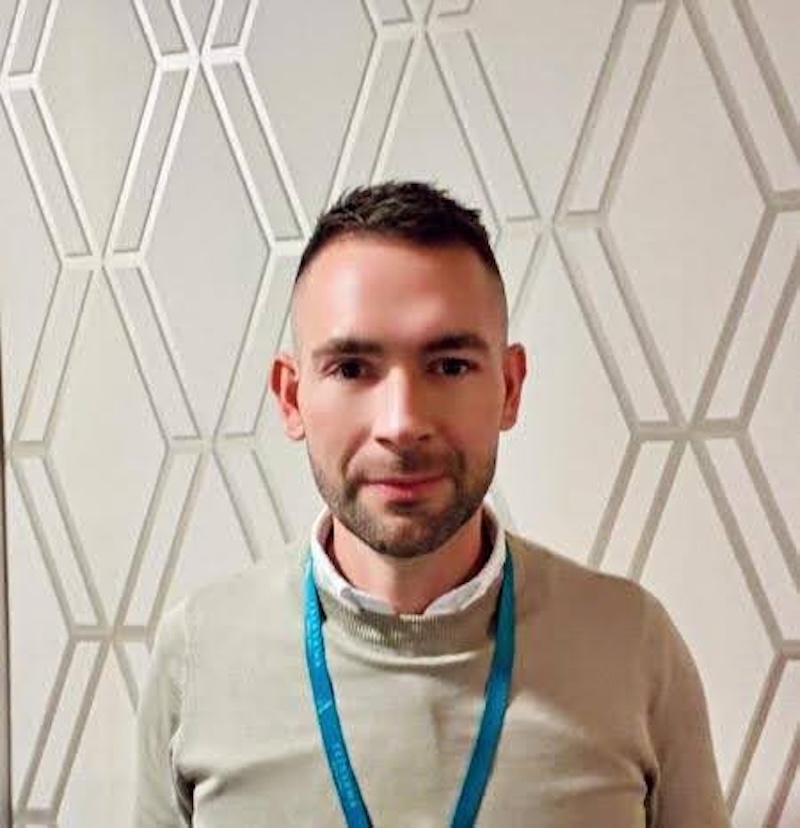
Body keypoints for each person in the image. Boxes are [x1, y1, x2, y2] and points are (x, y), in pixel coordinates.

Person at [134, 181, 730, 827]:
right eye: (353, 369)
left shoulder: (631, 647)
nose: (401, 422)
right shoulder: (196, 656)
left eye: (447, 366)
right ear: (290, 396)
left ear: (508, 387)